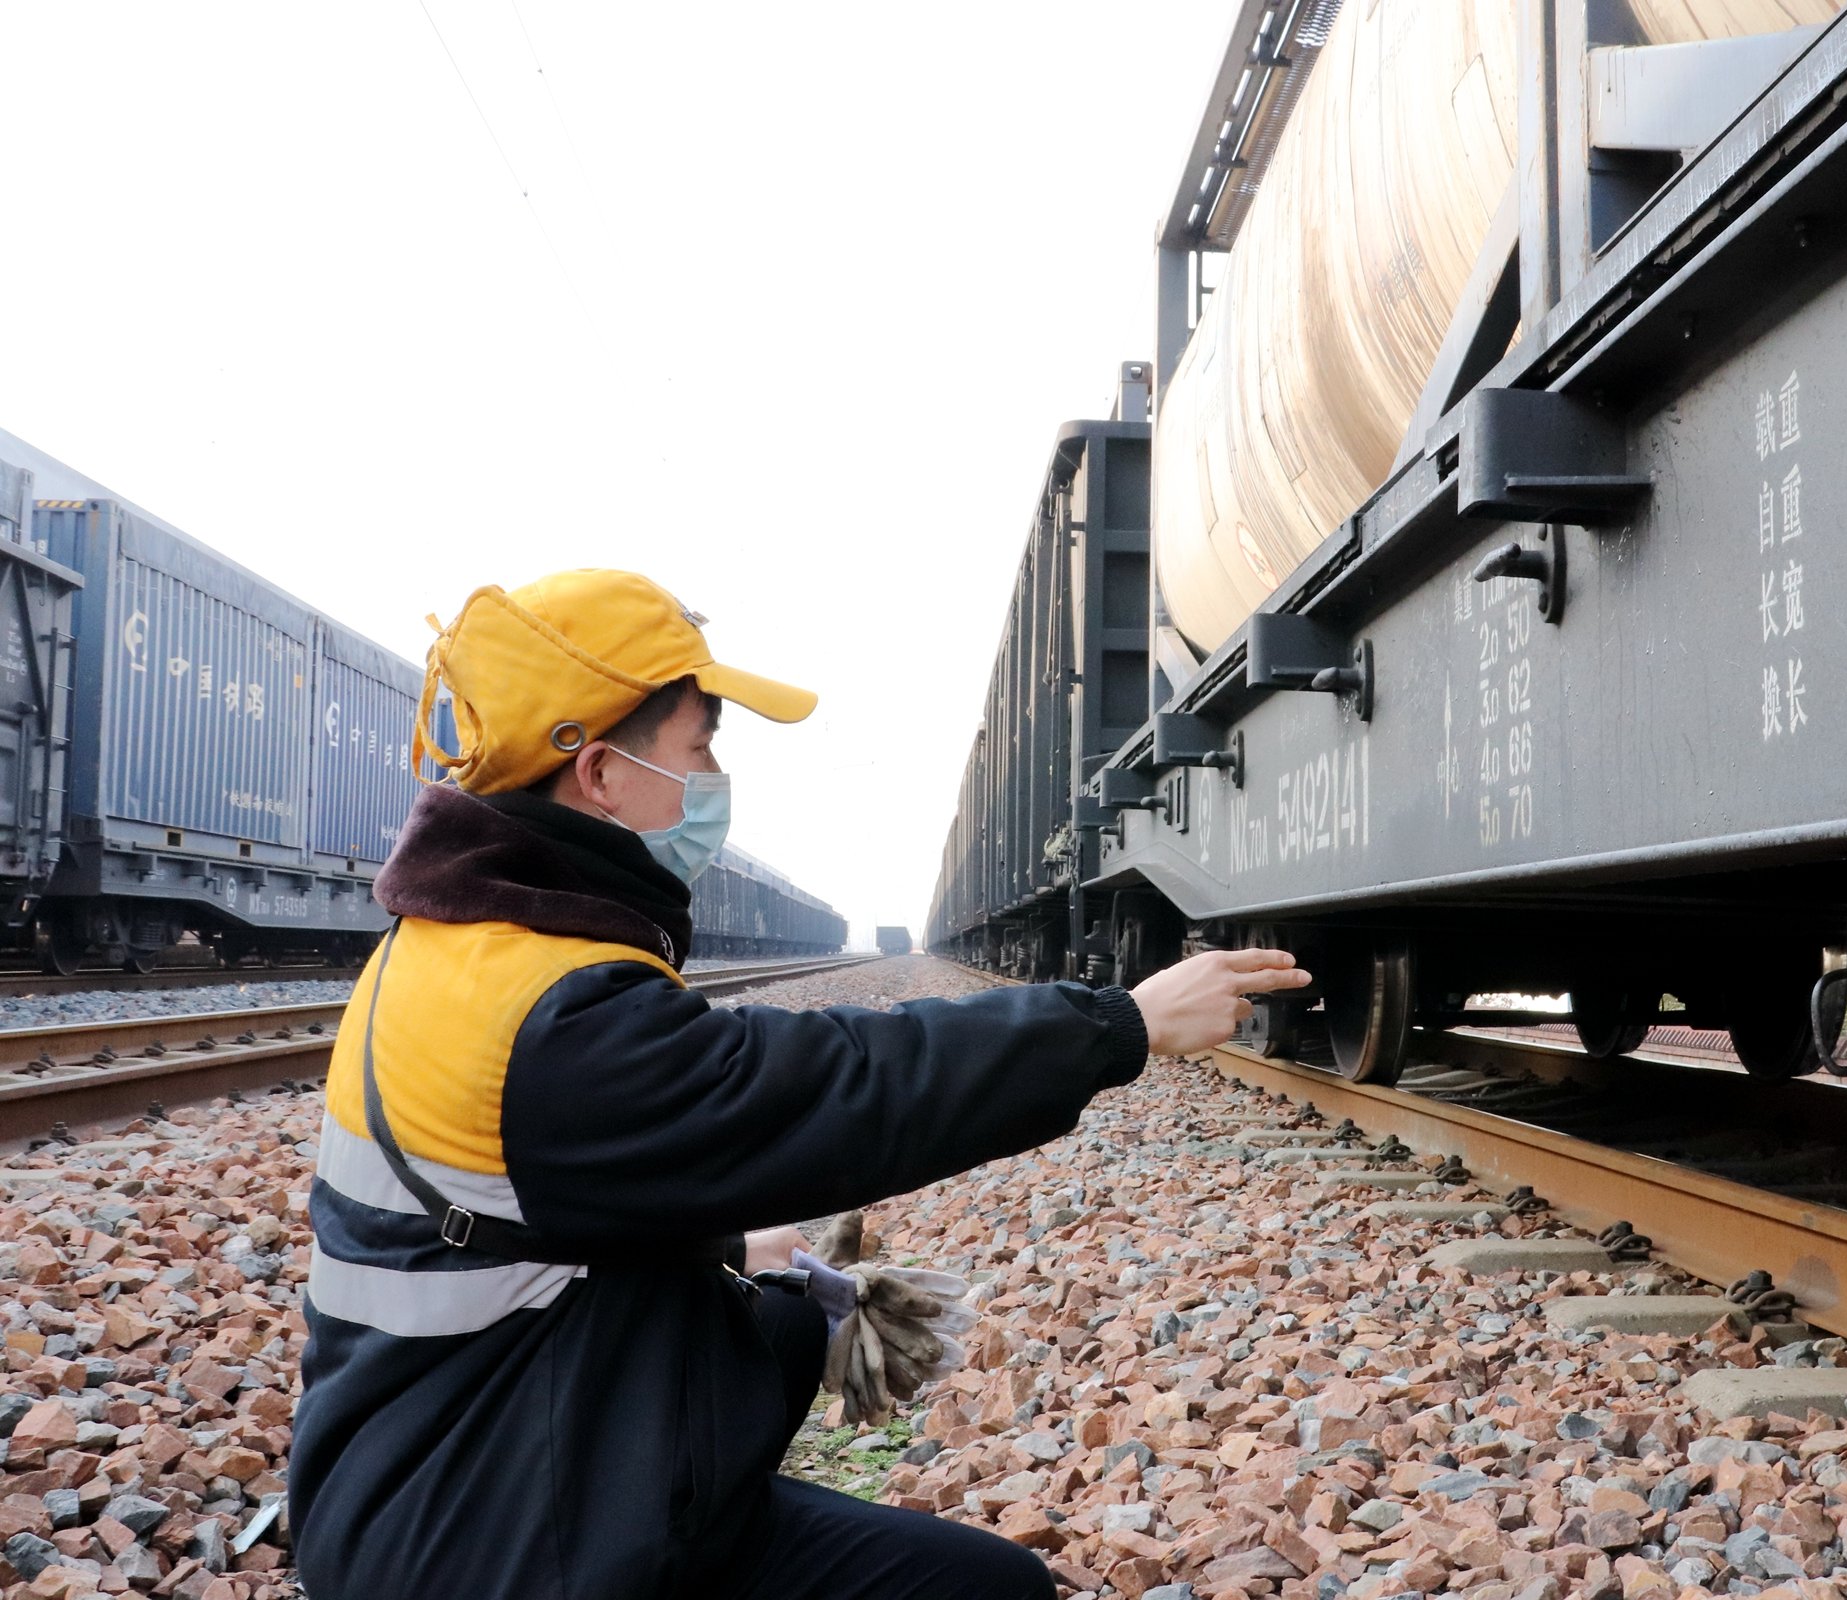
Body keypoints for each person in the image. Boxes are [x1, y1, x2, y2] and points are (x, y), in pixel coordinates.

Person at [287, 569, 1310, 1600]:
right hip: (492, 1546)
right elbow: (842, 1085)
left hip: (456, 1475)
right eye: (699, 751)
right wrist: (1122, 1025)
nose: (715, 779)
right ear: (600, 774)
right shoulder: (551, 1019)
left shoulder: (462, 949)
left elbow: (540, 1212)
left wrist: (735, 1246)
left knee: (932, 1529)